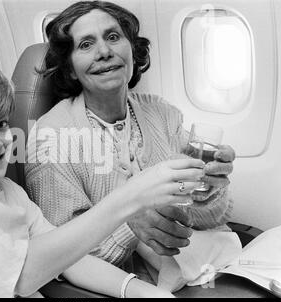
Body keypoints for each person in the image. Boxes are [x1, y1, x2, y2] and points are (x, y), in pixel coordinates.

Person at [0, 60, 204, 297]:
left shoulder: (8, 191)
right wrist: (130, 197)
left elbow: (70, 260)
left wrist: (147, 293)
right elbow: (21, 274)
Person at [25, 0, 236, 282]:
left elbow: (203, 212)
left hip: (200, 265)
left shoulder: (162, 113)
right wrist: (130, 226)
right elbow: (63, 257)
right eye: (86, 45)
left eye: (113, 37)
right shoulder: (51, 137)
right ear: (71, 69)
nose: (104, 52)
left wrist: (210, 190)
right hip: (132, 285)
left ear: (132, 51)